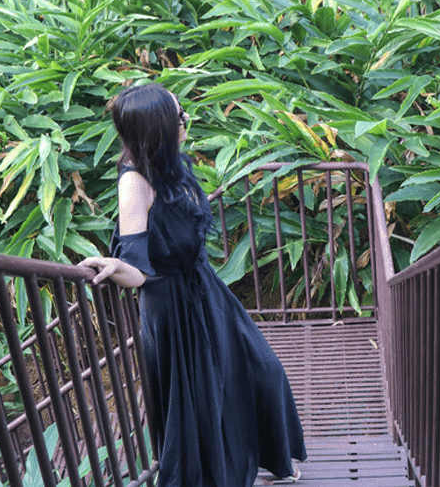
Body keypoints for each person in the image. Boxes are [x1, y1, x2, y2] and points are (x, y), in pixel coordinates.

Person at [79, 83, 306, 487]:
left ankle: (270, 458)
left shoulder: (170, 163)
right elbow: (139, 271)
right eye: (179, 116)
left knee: (261, 368)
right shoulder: (134, 183)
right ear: (160, 128)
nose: (187, 121)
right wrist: (113, 265)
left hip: (203, 287)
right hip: (171, 304)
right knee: (197, 398)